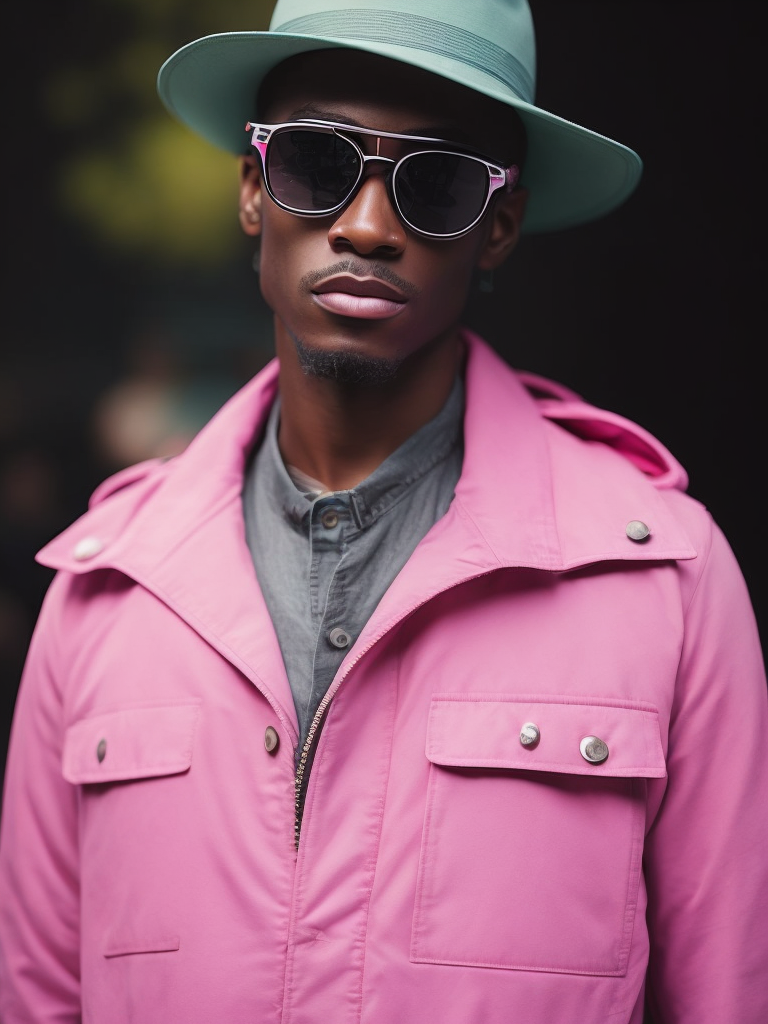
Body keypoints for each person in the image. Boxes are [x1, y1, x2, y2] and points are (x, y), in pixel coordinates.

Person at [1, 0, 766, 1020]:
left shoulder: (666, 582)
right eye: (317, 164)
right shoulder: (104, 596)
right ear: (252, 190)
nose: (366, 227)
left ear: (497, 227)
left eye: (437, 183)